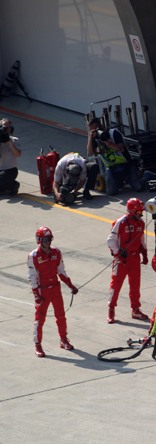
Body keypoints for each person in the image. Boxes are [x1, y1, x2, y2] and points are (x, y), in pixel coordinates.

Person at [27, 227, 78, 357]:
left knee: (61, 315)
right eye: (45, 239)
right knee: (40, 319)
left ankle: (64, 339)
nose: (48, 242)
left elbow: (61, 271)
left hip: (56, 288)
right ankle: (38, 345)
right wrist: (36, 294)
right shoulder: (33, 256)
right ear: (39, 240)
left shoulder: (57, 252)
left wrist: (71, 285)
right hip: (42, 291)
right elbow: (32, 276)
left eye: (49, 239)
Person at [106, 198, 150, 323]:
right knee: (116, 284)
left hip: (135, 258)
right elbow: (110, 240)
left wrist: (144, 254)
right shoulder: (121, 222)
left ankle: (135, 309)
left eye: (142, 212)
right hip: (121, 259)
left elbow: (141, 239)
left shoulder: (141, 223)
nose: (141, 214)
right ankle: (111, 308)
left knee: (135, 285)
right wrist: (118, 253)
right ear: (131, 211)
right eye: (139, 212)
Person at [87, 118, 143, 196]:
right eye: (91, 130)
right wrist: (90, 138)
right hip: (111, 167)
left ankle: (146, 175)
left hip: (126, 163)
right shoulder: (95, 138)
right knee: (111, 192)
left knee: (139, 187)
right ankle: (119, 181)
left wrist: (108, 143)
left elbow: (121, 148)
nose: (94, 132)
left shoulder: (113, 133)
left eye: (95, 129)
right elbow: (90, 152)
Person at [0, 117, 21, 195]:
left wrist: (8, 141)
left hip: (9, 171)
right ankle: (6, 187)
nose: (4, 129)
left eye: (6, 127)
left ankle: (12, 185)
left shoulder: (15, 140)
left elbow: (18, 154)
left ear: (10, 129)